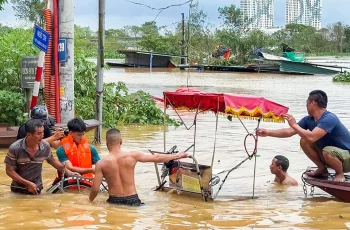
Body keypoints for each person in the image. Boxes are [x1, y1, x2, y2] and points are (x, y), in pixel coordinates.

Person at [257, 90, 350, 182]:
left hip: (346, 159)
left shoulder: (329, 118)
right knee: (304, 141)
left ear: (313, 103)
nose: (306, 106)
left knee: (327, 150)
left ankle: (339, 174)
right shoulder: (308, 120)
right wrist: (268, 132)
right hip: (331, 157)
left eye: (307, 103)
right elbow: (289, 132)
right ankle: (322, 169)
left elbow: (312, 137)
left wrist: (293, 124)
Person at [89, 128, 188, 206]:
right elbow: (158, 157)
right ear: (121, 141)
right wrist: (178, 155)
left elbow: (95, 189)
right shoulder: (132, 156)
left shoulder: (101, 164)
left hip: (114, 201)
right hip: (133, 199)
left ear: (106, 143)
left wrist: (90, 202)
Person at [4, 119, 76, 195]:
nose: (42, 136)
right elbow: (9, 171)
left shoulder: (45, 146)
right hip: (18, 190)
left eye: (43, 132)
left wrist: (69, 172)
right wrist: (28, 184)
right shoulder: (15, 148)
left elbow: (53, 161)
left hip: (37, 189)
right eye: (39, 133)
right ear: (29, 134)